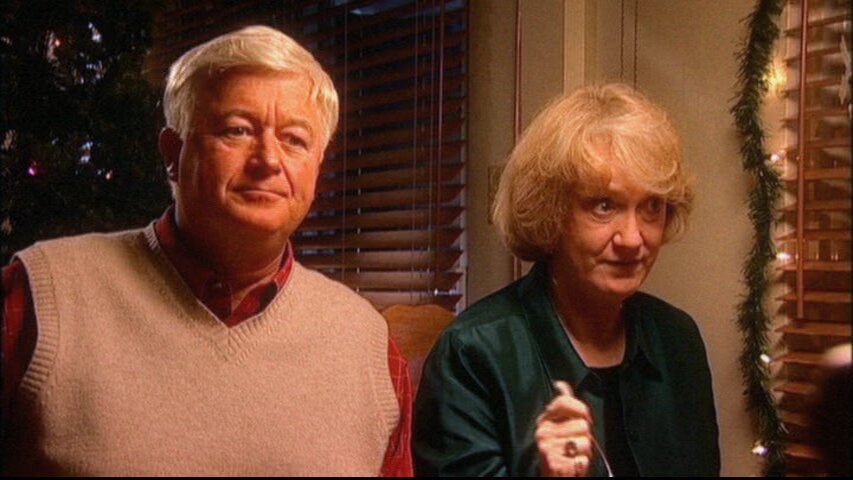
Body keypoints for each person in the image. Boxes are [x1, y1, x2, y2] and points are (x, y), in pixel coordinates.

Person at [1, 25, 412, 476]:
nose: (268, 160)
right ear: (172, 153)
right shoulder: (39, 299)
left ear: (317, 167)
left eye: (295, 139)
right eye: (237, 131)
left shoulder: (368, 346)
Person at [413, 84, 720, 476]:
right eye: (604, 206)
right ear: (551, 214)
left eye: (651, 207)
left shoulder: (677, 340)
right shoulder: (472, 354)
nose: (632, 238)